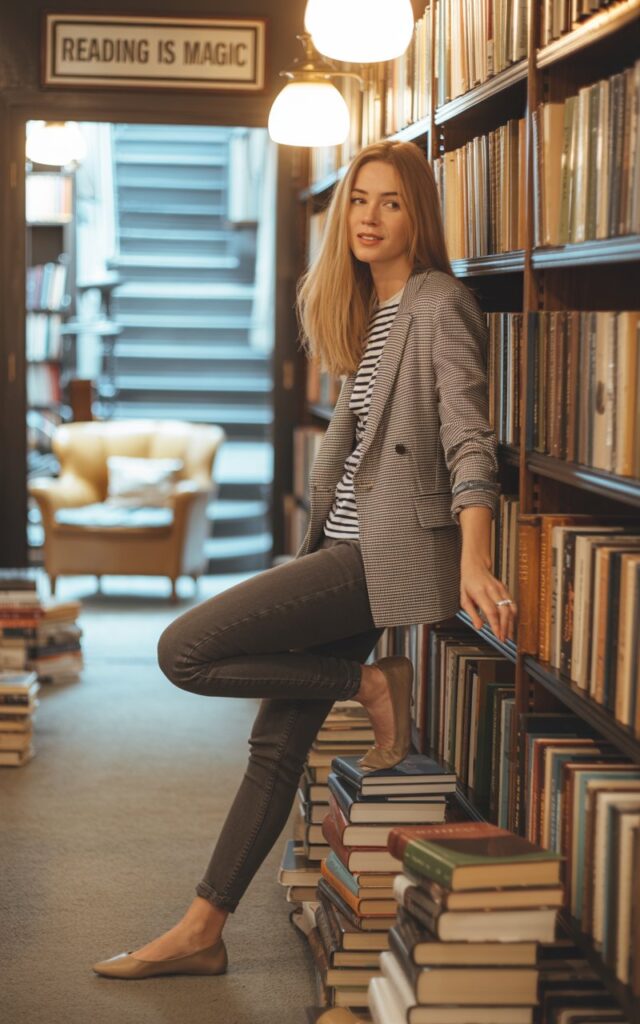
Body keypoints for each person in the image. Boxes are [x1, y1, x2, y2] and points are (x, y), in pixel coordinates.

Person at [92, 140, 517, 980]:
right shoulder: (371, 308)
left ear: (418, 217)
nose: (369, 217)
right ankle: (203, 929)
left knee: (183, 650)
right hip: (340, 543)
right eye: (359, 199)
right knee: (276, 746)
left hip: (382, 553)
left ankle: (369, 684)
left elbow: (471, 438)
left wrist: (475, 558)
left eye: (391, 202)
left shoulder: (438, 302)